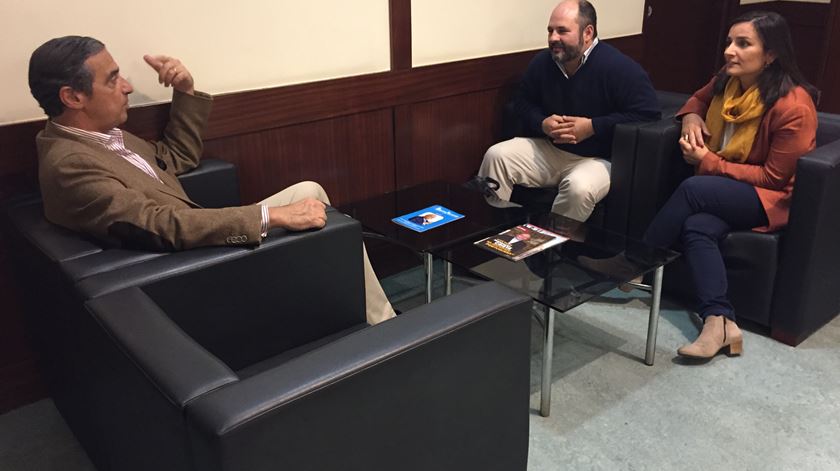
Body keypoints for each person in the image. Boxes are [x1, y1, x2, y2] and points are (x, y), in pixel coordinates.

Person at [28, 36, 396, 324]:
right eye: (112, 80)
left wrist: (185, 90)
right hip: (189, 272)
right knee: (306, 213)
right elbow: (160, 226)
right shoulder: (69, 164)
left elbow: (174, 159)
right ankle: (381, 327)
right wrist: (274, 217)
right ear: (73, 96)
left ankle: (379, 320)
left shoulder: (103, 136)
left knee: (308, 191)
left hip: (197, 239)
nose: (126, 86)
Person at [640, 11, 817, 359]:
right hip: (728, 187)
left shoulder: (794, 107)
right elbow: (698, 99)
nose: (729, 51)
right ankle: (719, 321)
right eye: (729, 42)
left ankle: (634, 263)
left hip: (770, 198)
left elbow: (774, 178)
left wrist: (708, 163)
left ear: (770, 55)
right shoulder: (727, 80)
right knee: (697, 226)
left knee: (693, 190)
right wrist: (691, 116)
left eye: (743, 44)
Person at [477, 0, 660, 222]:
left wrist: (593, 127)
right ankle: (493, 237)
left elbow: (648, 114)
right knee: (497, 156)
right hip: (552, 150)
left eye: (562, 31)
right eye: (550, 31)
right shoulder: (543, 62)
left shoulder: (620, 68)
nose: (553, 38)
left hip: (600, 158)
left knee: (578, 187)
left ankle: (553, 249)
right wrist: (542, 122)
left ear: (588, 33)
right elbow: (521, 103)